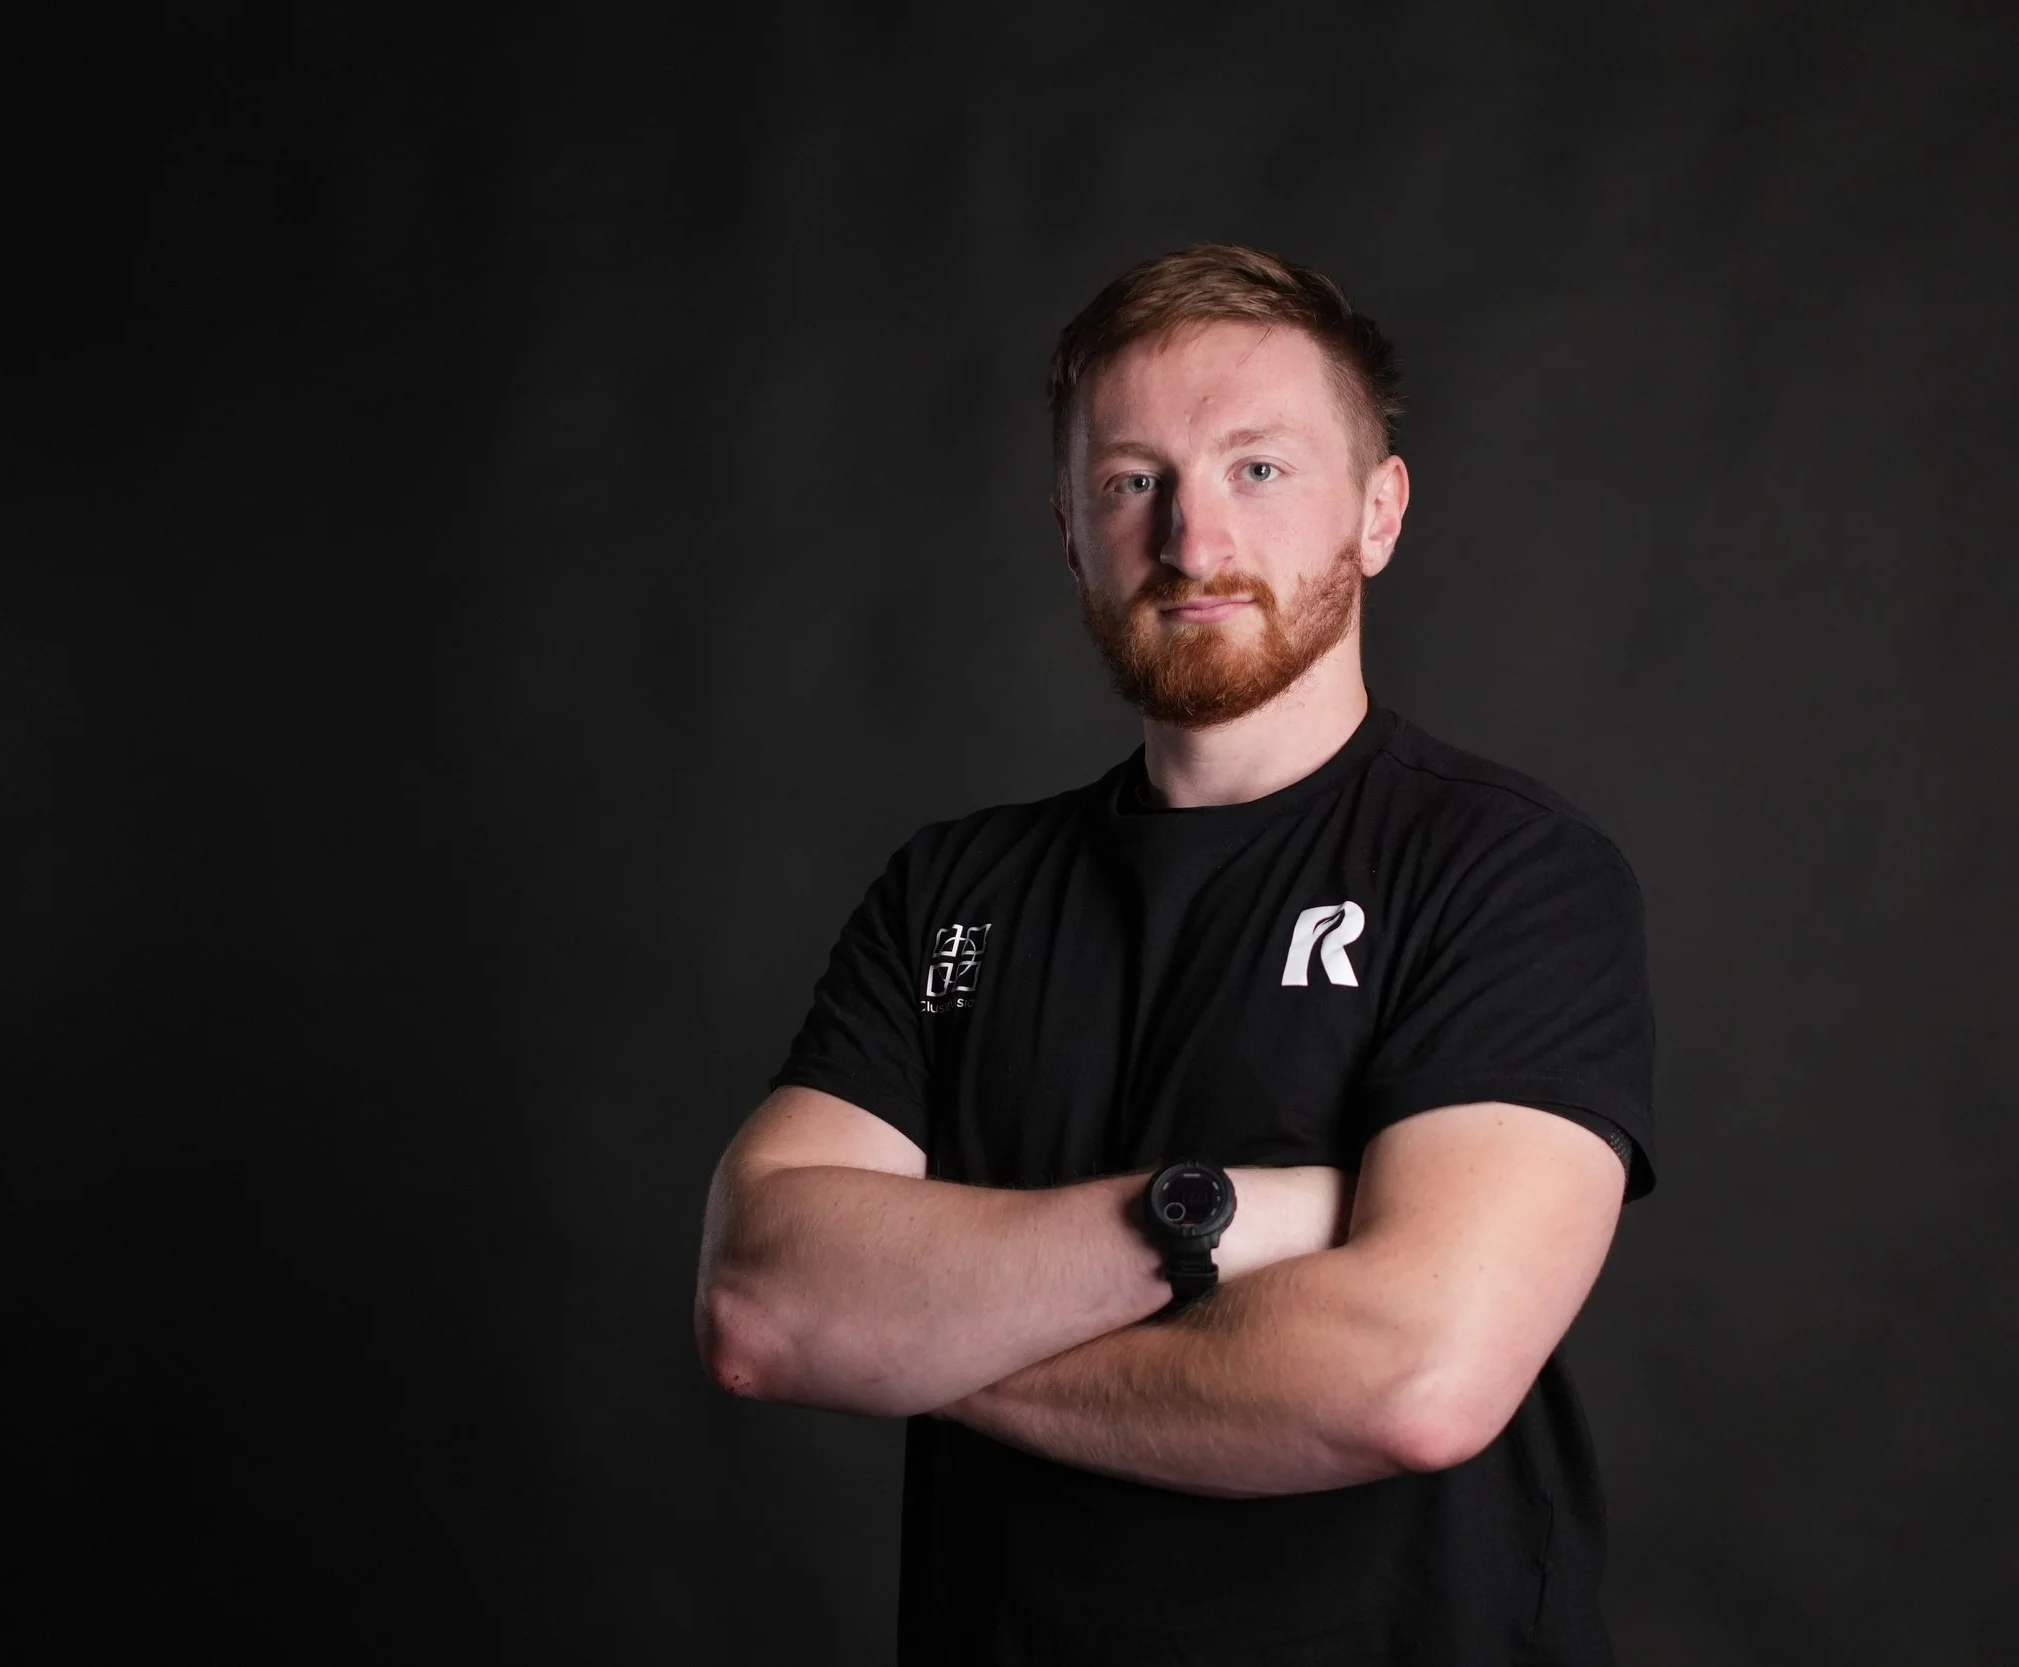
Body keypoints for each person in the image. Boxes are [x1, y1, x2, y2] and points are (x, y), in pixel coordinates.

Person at [695, 243, 1656, 1665]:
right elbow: (760, 1300)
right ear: (1070, 534)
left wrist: (923, 1342)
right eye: (1133, 481)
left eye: (1259, 469)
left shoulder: (1509, 873)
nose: (1193, 543)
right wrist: (1220, 1217)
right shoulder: (952, 890)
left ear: (1379, 511)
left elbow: (1416, 1380)